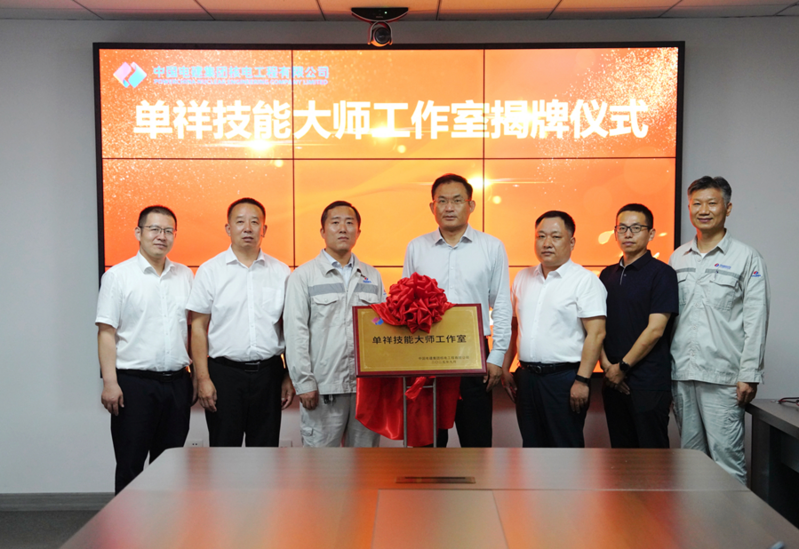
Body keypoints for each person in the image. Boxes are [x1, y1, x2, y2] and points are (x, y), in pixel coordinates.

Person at [670, 176, 770, 484]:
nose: (704, 210)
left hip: (723, 377)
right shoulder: (677, 257)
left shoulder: (746, 257)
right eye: (697, 204)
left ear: (727, 208)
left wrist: (749, 373)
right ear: (689, 208)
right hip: (682, 373)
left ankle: (734, 518)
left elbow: (756, 318)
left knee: (727, 463)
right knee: (690, 462)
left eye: (712, 203)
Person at [403, 173, 512, 448]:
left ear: (471, 205)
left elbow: (501, 304)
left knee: (476, 440)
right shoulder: (416, 247)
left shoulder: (492, 247)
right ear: (432, 207)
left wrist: (497, 356)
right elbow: (405, 304)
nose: (449, 207)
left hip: (473, 353)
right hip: (426, 352)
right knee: (427, 443)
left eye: (457, 200)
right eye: (442, 201)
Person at [96, 205, 194, 494]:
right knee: (130, 464)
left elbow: (193, 329)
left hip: (177, 383)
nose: (161, 236)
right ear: (138, 232)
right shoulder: (118, 276)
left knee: (171, 466)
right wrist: (110, 383)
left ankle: (165, 522)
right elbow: (106, 333)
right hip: (134, 386)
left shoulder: (185, 275)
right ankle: (127, 524)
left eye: (168, 230)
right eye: (154, 229)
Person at [187, 198, 294, 447]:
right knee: (223, 452)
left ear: (264, 229)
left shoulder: (281, 272)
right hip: (224, 375)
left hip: (269, 375)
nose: (248, 228)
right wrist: (203, 378)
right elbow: (198, 328)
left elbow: (289, 328)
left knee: (266, 453)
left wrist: (289, 375)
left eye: (255, 222)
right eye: (240, 222)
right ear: (228, 228)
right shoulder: (210, 270)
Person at [502, 211, 606, 448]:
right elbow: (514, 327)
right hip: (526, 378)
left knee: (565, 449)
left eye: (555, 237)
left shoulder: (585, 280)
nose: (546, 243)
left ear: (572, 242)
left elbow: (597, 333)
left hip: (565, 379)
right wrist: (506, 367)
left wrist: (582, 380)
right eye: (541, 236)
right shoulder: (522, 277)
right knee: (531, 447)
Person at [284, 201, 384, 447]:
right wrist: (304, 382)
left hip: (365, 388)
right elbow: (295, 332)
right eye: (335, 222)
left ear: (358, 232)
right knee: (320, 465)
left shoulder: (372, 276)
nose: (343, 228)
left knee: (365, 462)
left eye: (349, 223)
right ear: (322, 231)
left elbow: (382, 326)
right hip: (323, 388)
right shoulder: (304, 276)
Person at [599, 204, 679, 448]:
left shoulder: (662, 274)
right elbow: (596, 326)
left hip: (648, 382)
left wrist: (622, 367)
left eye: (636, 228)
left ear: (651, 233)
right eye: (622, 228)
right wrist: (607, 367)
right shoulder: (606, 275)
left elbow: (656, 330)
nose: (628, 234)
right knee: (621, 457)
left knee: (652, 458)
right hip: (612, 381)